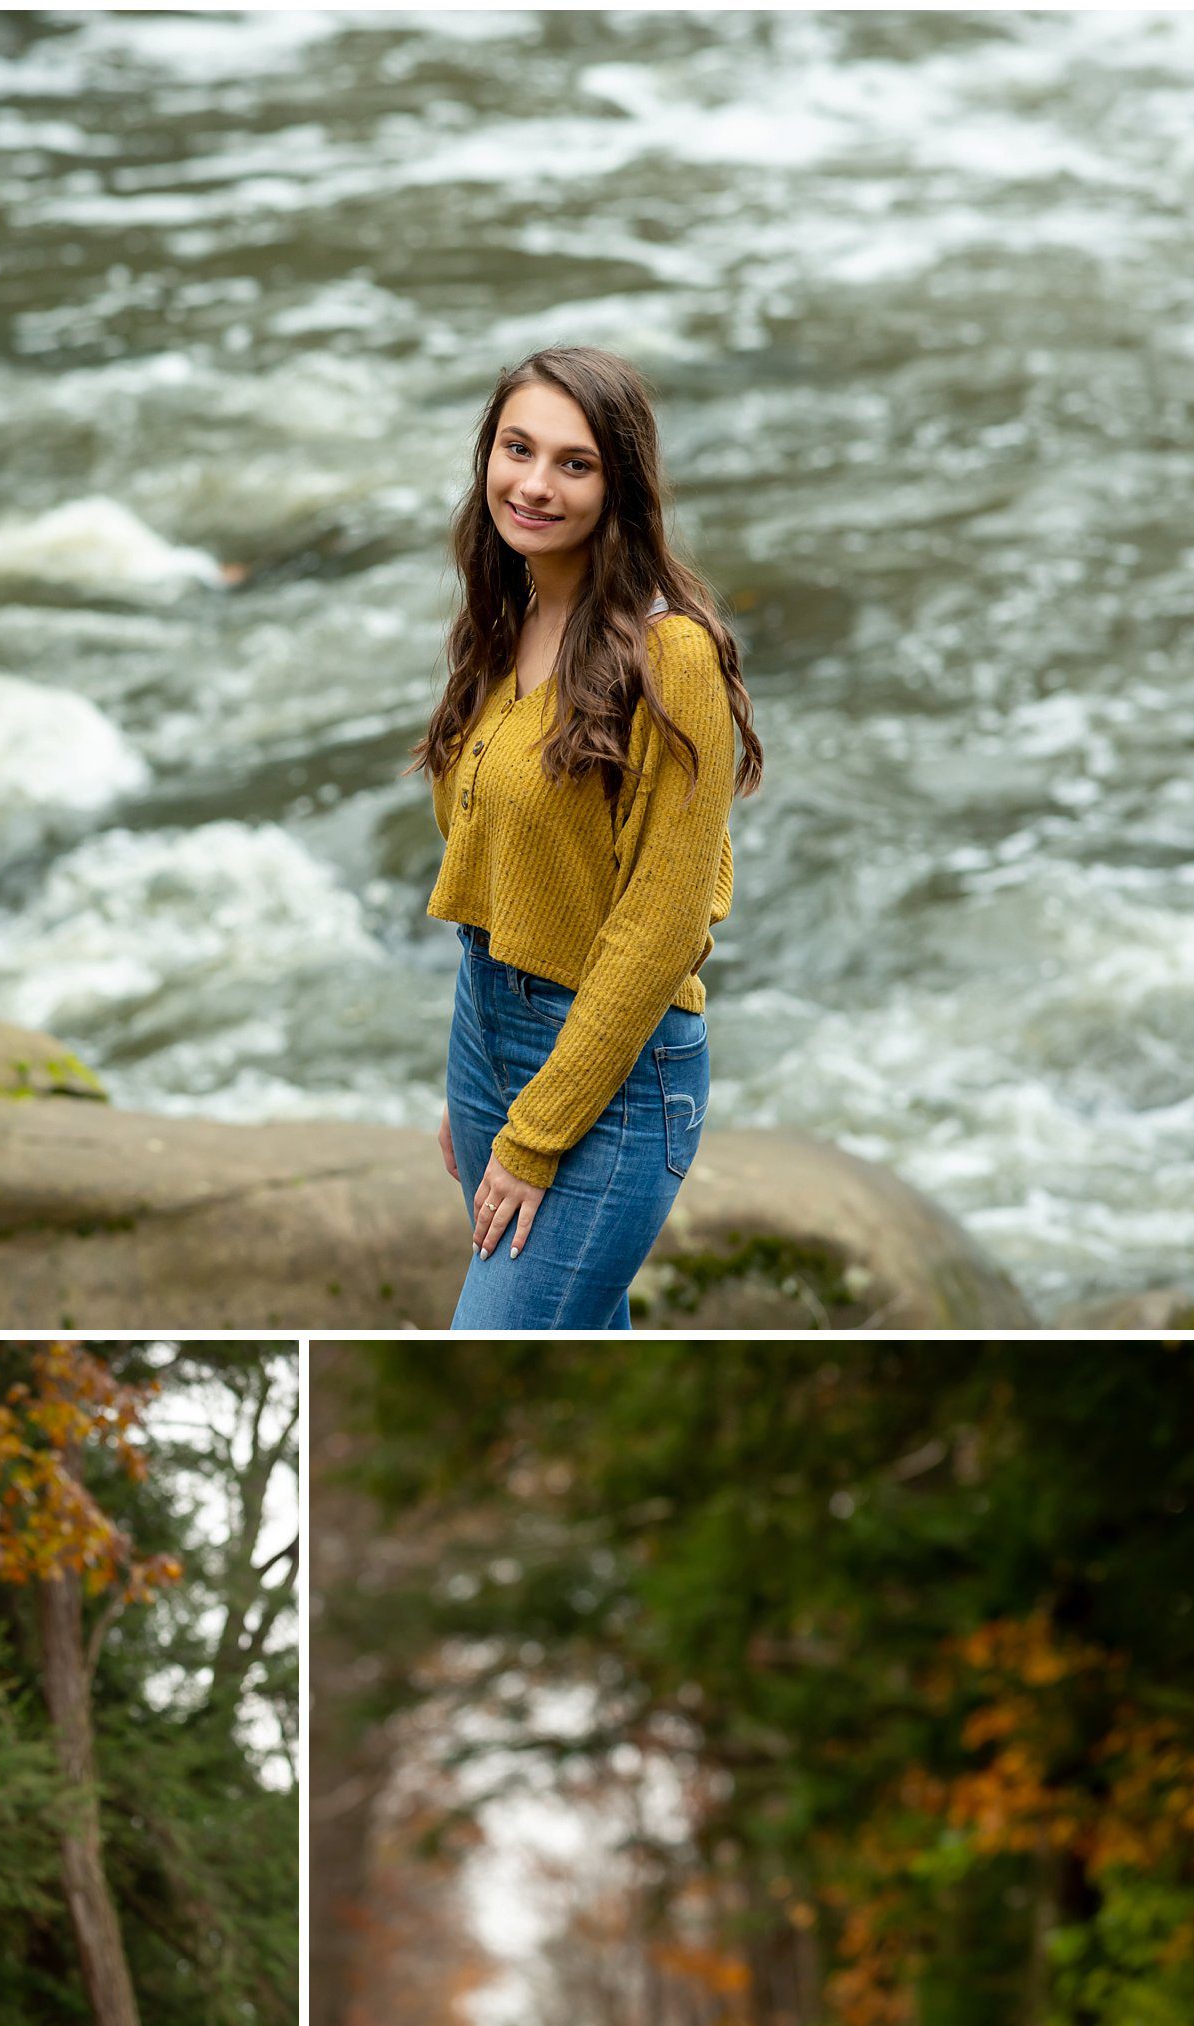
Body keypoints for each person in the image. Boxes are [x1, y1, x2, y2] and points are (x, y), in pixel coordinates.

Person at [420, 344, 762, 1332]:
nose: (533, 485)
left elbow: (662, 927)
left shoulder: (672, 656)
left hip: (613, 1078)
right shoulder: (508, 615)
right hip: (486, 1031)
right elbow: (501, 871)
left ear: (621, 485)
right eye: (516, 449)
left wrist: (536, 1132)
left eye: (573, 463)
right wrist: (478, 1077)